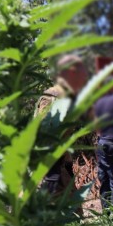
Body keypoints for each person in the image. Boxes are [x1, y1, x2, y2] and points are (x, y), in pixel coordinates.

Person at [35, 54, 90, 193]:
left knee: (72, 210)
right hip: (49, 166)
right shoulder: (53, 96)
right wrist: (52, 174)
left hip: (61, 163)